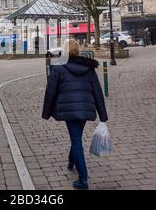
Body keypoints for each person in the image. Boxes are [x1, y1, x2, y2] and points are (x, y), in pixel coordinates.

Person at [42, 39, 108, 190]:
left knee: (76, 140)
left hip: (68, 110)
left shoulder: (58, 67)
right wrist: (103, 115)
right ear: (78, 50)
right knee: (76, 137)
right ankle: (71, 161)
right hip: (85, 109)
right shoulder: (89, 68)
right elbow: (98, 92)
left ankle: (83, 179)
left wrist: (46, 113)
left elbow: (50, 91)